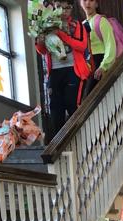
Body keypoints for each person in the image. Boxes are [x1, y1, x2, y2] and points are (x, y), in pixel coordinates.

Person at [35, 0, 91, 136]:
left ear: (72, 9)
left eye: (67, 8)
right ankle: (59, 143)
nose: (63, 11)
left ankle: (79, 138)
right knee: (55, 109)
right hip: (54, 71)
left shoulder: (76, 25)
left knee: (72, 104)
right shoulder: (47, 24)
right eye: (59, 7)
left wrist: (61, 34)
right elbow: (42, 51)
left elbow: (82, 45)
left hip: (73, 69)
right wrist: (40, 41)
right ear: (54, 8)